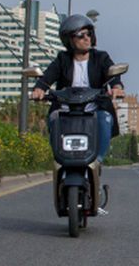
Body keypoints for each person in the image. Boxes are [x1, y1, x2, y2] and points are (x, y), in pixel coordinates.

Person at [32, 14, 125, 159]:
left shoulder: (101, 57)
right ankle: (59, 159)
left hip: (94, 109)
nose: (87, 38)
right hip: (65, 109)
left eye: (89, 34)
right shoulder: (63, 59)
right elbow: (48, 76)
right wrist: (39, 89)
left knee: (105, 119)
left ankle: (97, 160)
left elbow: (112, 74)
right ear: (69, 39)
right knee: (53, 118)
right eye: (81, 35)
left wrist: (117, 87)